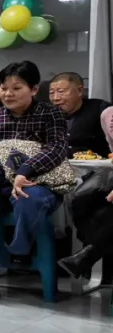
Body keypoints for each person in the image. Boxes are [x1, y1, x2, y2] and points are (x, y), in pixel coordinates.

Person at [0, 61, 69, 301]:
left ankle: (18, 250)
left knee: (28, 198)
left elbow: (57, 148)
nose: (7, 94)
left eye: (16, 88)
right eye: (4, 88)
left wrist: (25, 171)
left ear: (34, 89)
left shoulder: (51, 114)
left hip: (38, 185)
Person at [59, 107, 113, 279]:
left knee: (107, 214)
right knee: (82, 201)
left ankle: (86, 257)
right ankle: (88, 258)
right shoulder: (108, 115)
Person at [47, 71, 112, 157]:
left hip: (97, 164)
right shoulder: (48, 115)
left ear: (79, 91)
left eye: (61, 92)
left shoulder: (101, 109)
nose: (55, 98)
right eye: (51, 93)